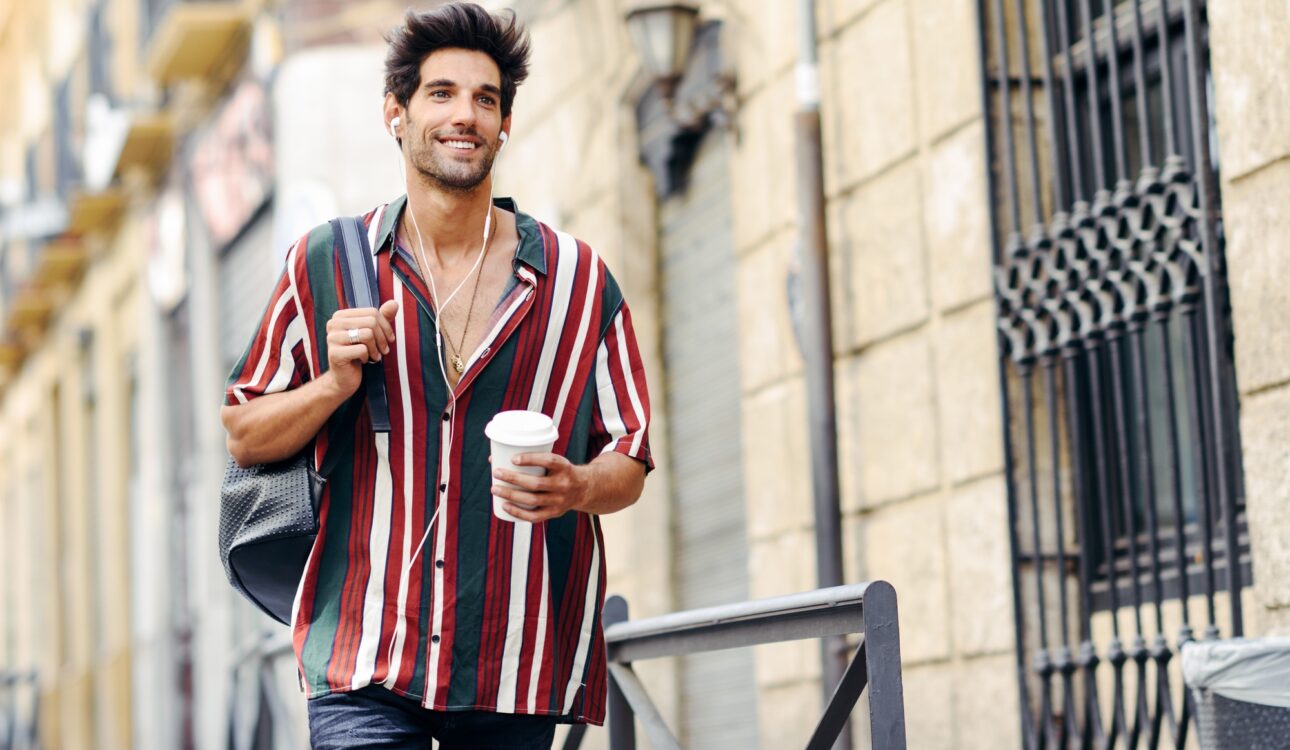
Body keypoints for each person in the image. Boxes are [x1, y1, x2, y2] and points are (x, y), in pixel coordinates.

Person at [220, 4, 653, 747]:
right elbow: (242, 430)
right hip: (363, 656)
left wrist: (576, 486)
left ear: (505, 123)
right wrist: (332, 386)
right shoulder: (325, 264)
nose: (466, 115)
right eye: (442, 94)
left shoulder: (580, 282)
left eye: (486, 99)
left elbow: (632, 453)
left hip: (511, 661)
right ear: (398, 112)